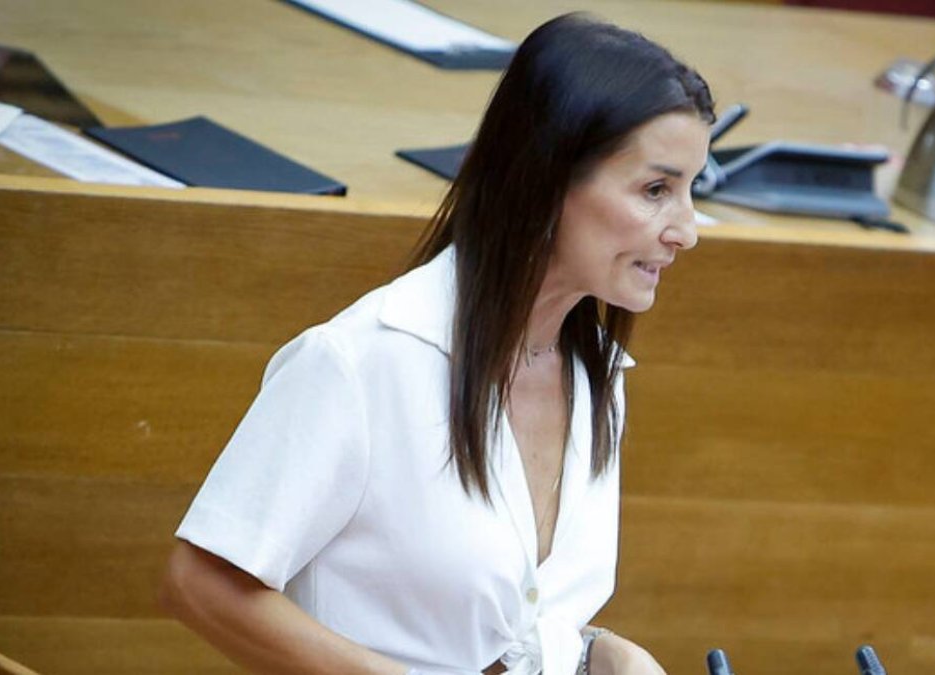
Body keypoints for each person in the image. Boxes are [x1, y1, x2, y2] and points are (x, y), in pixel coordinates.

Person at [159, 12, 714, 675]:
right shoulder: (359, 363)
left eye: (690, 190)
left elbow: (504, 618)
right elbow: (199, 581)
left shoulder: (598, 377)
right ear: (545, 178)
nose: (686, 229)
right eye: (657, 190)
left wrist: (602, 652)